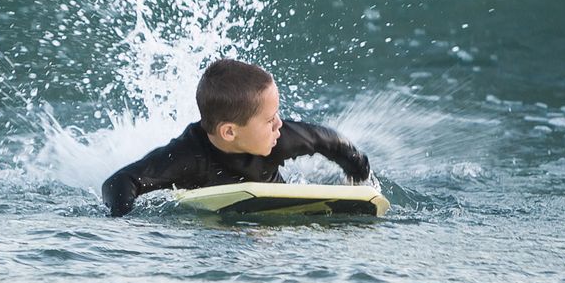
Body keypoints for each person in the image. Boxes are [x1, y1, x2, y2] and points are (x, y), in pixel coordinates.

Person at [101, 58, 372, 216]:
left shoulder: (279, 137)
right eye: (268, 119)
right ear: (229, 132)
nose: (279, 124)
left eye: (277, 114)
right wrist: (126, 222)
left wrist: (358, 172)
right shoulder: (189, 156)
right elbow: (119, 182)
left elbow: (330, 141)